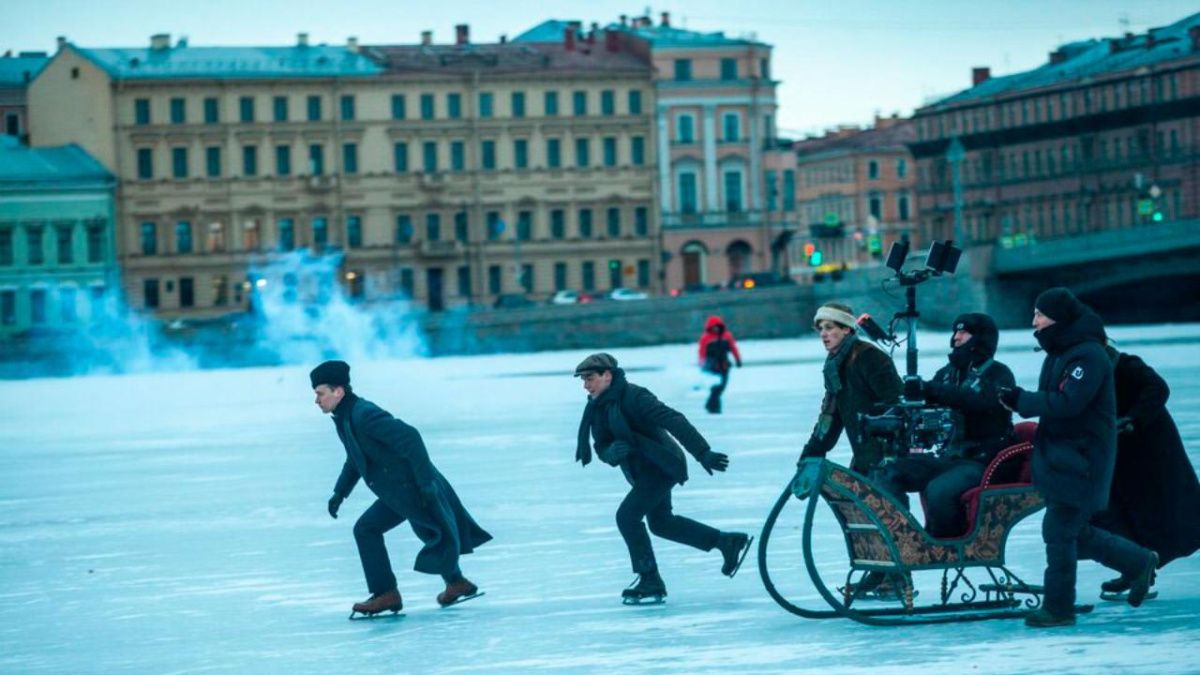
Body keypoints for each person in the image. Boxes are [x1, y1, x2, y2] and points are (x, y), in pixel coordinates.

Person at [999, 288, 1157, 628]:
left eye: (1040, 315)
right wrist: (1018, 400)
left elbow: (1069, 403)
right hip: (1063, 455)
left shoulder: (1087, 355)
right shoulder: (1060, 352)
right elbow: (1055, 400)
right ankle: (1139, 561)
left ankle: (1059, 608)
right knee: (1072, 531)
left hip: (1082, 458)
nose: (1034, 322)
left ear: (1059, 317)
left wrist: (1022, 400)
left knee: (1058, 530)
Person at [312, 360, 493, 617]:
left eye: (320, 393)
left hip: (412, 486)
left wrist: (425, 484)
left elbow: (411, 437)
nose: (317, 400)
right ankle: (456, 583)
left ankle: (386, 593)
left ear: (338, 391)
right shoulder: (345, 417)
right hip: (400, 488)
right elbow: (355, 458)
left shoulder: (363, 414)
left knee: (369, 529)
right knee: (430, 531)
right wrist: (339, 493)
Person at [573, 352, 752, 604]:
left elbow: (674, 420)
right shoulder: (597, 407)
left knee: (627, 516)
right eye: (583, 380)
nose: (585, 385)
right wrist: (611, 453)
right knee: (661, 523)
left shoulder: (635, 396)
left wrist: (703, 452)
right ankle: (725, 542)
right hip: (640, 471)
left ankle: (650, 579)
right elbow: (601, 445)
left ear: (607, 375)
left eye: (589, 378)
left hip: (662, 465)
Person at [873, 313, 1015, 538]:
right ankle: (901, 537)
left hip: (983, 462)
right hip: (952, 458)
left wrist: (930, 389)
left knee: (939, 489)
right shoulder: (948, 374)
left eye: (963, 332)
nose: (956, 338)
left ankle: (946, 544)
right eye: (955, 332)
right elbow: (925, 401)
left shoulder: (999, 373)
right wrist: (897, 406)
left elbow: (977, 400)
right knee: (888, 472)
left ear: (981, 338)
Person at [1089, 344, 1200, 599]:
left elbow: (1158, 389)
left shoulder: (1126, 365)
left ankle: (1138, 568)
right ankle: (1135, 568)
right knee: (1120, 514)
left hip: (1150, 451)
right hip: (1120, 453)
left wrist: (1133, 418)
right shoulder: (1087, 368)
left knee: (1165, 512)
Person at [798, 302, 903, 475]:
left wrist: (889, 453)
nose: (823, 334)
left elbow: (896, 403)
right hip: (864, 455)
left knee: (884, 501)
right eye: (821, 329)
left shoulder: (869, 356)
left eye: (829, 328)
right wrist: (813, 451)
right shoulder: (834, 365)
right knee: (848, 499)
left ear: (846, 329)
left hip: (885, 455)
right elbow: (831, 414)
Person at [698, 315, 743, 414]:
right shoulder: (705, 338)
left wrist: (738, 359)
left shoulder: (727, 336)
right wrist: (702, 364)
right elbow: (702, 352)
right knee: (716, 386)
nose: (716, 329)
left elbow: (733, 348)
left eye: (717, 326)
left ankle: (710, 405)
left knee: (722, 386)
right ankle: (714, 408)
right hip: (712, 366)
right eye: (714, 327)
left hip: (724, 364)